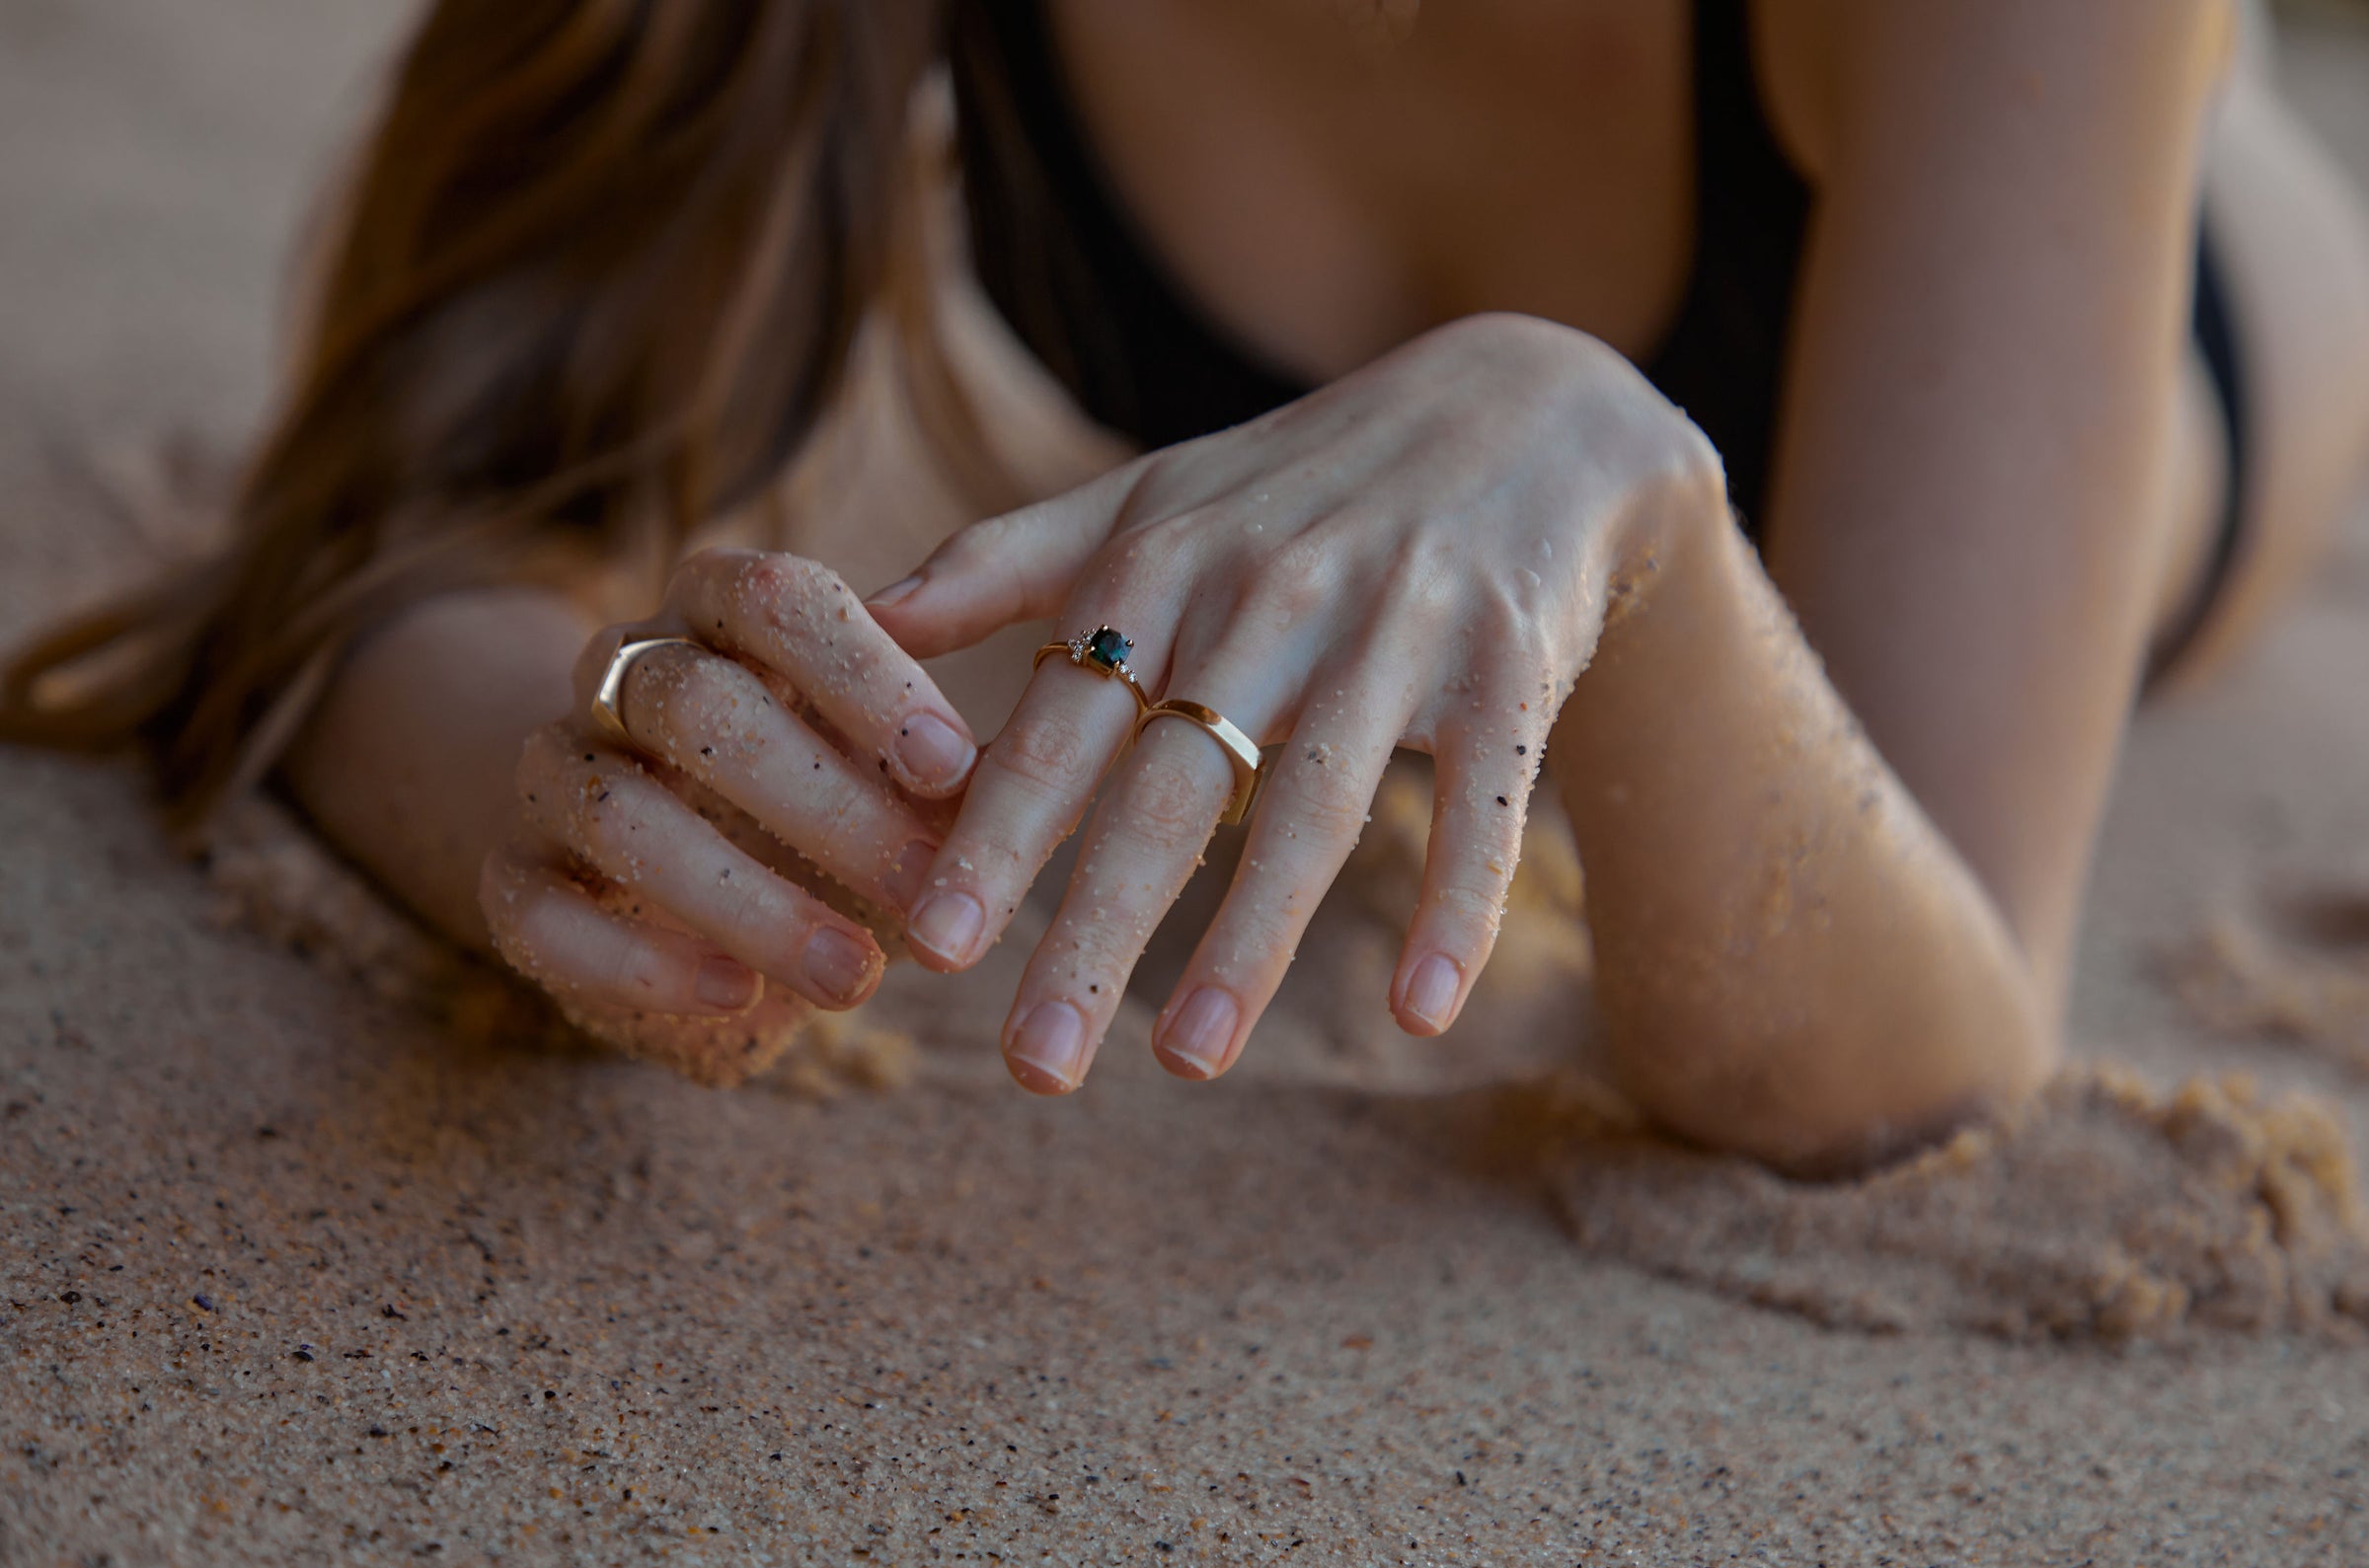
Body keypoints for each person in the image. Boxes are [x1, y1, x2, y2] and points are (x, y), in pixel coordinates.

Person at [6, 0, 2368, 1172]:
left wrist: (1627, 505)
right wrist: (571, 766)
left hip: (2196, 322)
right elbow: (413, 517)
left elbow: (1931, 1038)